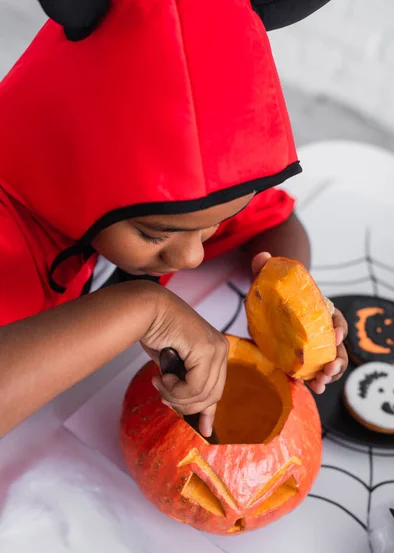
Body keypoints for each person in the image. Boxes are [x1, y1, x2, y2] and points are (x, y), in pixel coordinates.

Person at [0, 0, 347, 439]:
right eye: (152, 234)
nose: (192, 256)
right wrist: (145, 310)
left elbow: (276, 221)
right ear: (68, 169)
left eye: (213, 225)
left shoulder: (191, 208)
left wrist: (292, 309)